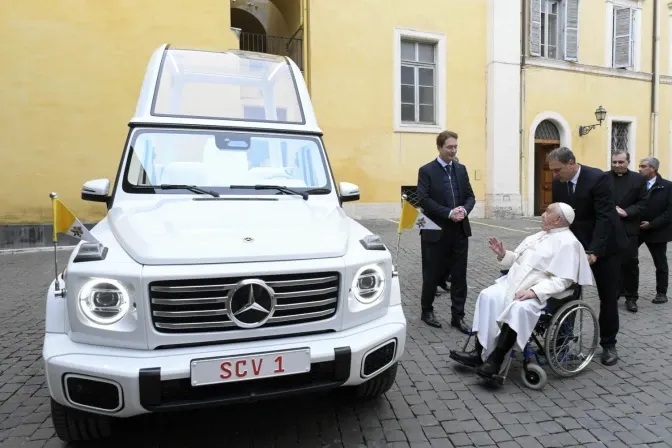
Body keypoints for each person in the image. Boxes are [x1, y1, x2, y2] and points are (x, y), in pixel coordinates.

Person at [449, 203, 594, 379]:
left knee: (519, 308)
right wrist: (503, 254)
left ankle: (495, 360)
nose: (542, 214)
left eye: (547, 212)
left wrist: (534, 291)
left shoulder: (569, 243)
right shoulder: (539, 236)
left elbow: (562, 280)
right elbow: (519, 261)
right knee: (488, 295)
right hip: (515, 283)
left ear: (557, 220)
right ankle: (479, 351)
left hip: (545, 293)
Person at [547, 147, 627, 366]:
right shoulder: (558, 183)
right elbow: (559, 217)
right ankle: (563, 342)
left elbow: (605, 217)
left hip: (606, 246)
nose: (555, 175)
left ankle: (609, 344)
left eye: (558, 170)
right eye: (552, 171)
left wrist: (594, 251)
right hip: (576, 246)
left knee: (608, 297)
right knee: (568, 293)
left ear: (571, 163)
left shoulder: (598, 179)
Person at [417, 131, 475, 332]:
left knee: (459, 276)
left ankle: (458, 317)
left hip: (459, 231)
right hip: (434, 232)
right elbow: (423, 199)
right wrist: (448, 212)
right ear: (440, 147)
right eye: (450, 147)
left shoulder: (461, 169)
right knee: (432, 274)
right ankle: (427, 311)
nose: (453, 150)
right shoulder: (426, 171)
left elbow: (470, 196)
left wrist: (464, 210)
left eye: (455, 147)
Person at [608, 150, 647, 312]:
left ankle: (631, 297)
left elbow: (643, 202)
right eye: (614, 162)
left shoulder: (638, 179)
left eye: (621, 162)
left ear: (628, 162)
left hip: (629, 227)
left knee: (631, 264)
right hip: (609, 228)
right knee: (611, 264)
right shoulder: (603, 178)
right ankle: (612, 295)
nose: (617, 165)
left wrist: (627, 212)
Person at [638, 157, 672, 304]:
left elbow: (669, 212)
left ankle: (661, 293)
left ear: (653, 168)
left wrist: (652, 224)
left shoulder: (667, 186)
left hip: (657, 231)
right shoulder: (637, 184)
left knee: (660, 263)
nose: (640, 169)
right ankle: (625, 289)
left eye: (643, 166)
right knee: (627, 259)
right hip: (637, 229)